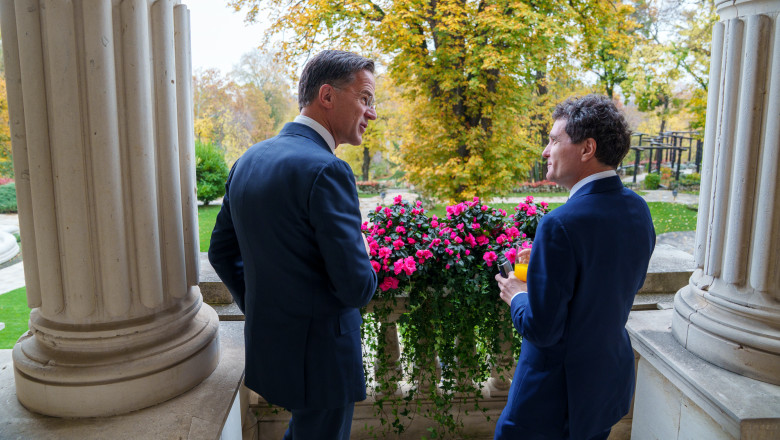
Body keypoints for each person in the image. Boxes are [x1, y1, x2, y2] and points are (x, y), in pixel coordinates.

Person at [208, 50, 379, 439]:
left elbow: (221, 251)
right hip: (323, 358)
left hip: (276, 347)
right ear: (327, 96)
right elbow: (356, 287)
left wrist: (263, 309)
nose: (371, 113)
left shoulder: (248, 160)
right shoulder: (329, 169)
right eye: (365, 99)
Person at [493, 94, 656, 440]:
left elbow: (542, 329)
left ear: (587, 149)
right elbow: (616, 282)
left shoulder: (560, 224)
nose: (545, 151)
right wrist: (548, 263)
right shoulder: (639, 209)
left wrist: (517, 295)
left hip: (551, 400)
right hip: (605, 389)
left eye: (553, 140)